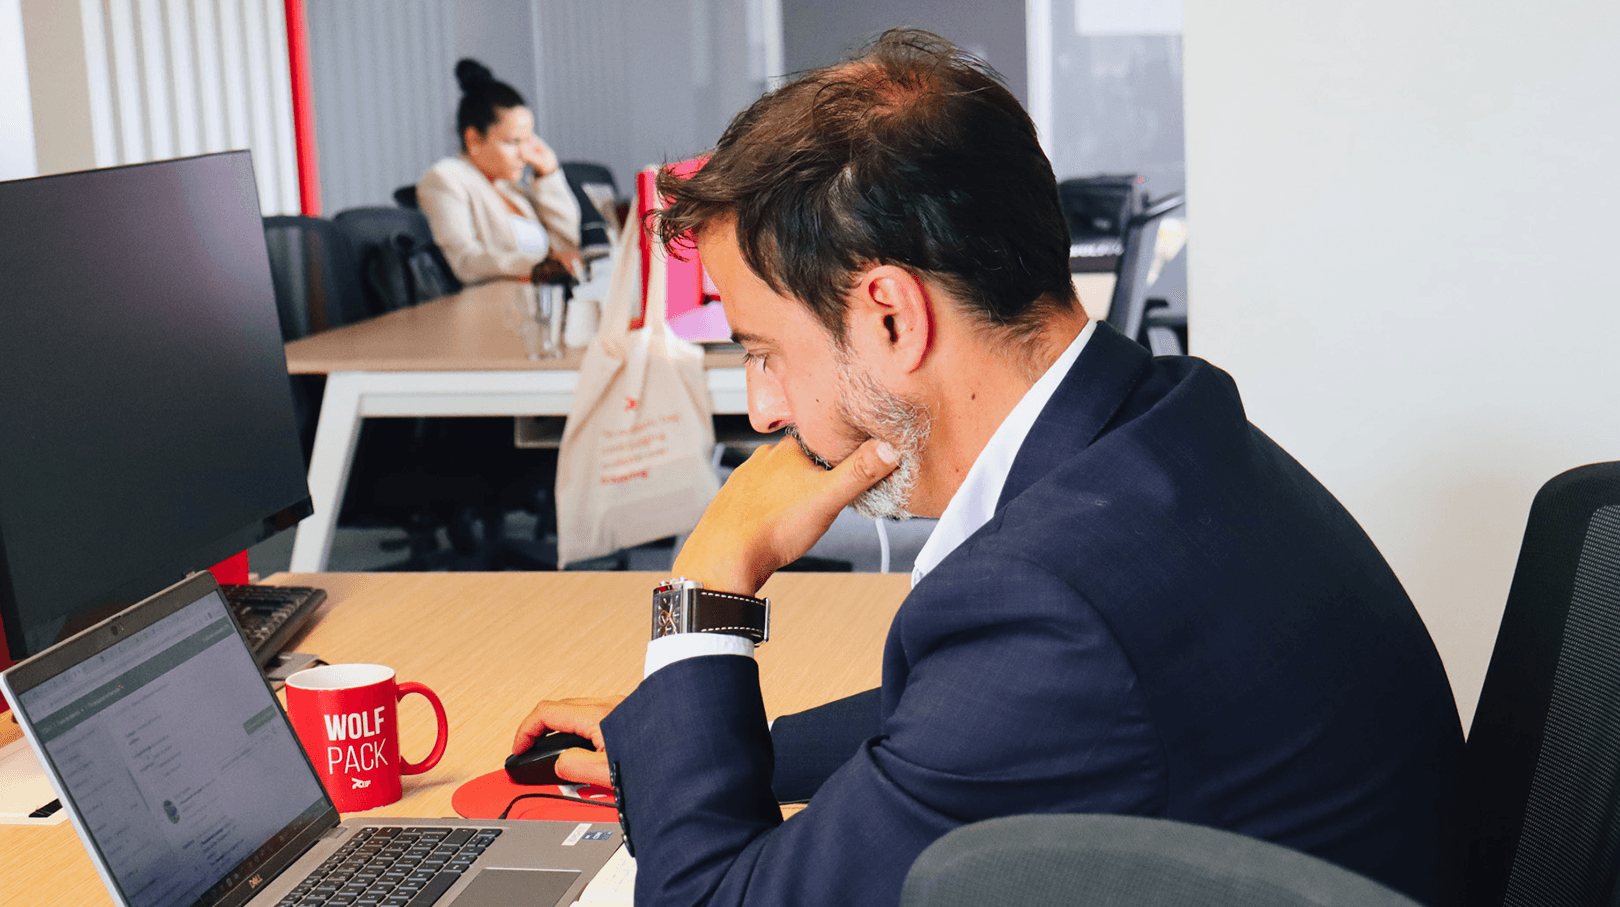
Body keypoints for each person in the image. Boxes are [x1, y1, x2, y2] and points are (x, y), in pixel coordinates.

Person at [514, 28, 1466, 907]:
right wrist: (707, 749)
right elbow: (967, 723)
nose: (764, 410)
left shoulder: (1054, 607)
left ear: (891, 315)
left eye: (765, 351)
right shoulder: (1159, 423)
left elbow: (714, 899)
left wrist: (708, 583)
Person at [417, 58, 581, 285]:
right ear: (474, 139)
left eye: (528, 140)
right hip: (492, 310)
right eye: (513, 142)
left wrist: (549, 175)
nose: (525, 154)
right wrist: (539, 266)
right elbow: (464, 261)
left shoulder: (512, 189)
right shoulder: (445, 178)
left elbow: (570, 245)